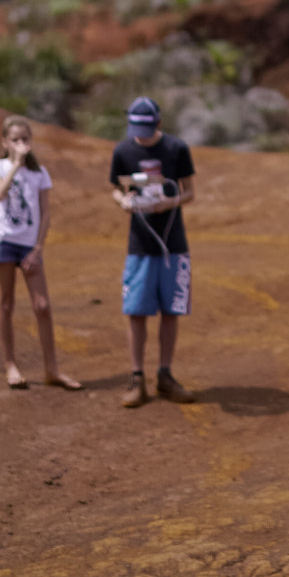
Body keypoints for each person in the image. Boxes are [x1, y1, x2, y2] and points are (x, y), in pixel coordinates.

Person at [109, 96, 196, 409]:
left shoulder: (177, 149)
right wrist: (122, 201)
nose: (141, 135)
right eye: (136, 128)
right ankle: (136, 378)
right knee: (135, 312)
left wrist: (167, 203)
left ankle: (165, 375)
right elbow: (115, 187)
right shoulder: (123, 151)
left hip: (173, 244)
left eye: (147, 128)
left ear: (159, 123)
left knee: (171, 311)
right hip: (140, 245)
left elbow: (190, 192)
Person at [0, 115, 81, 392]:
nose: (21, 144)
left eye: (25, 139)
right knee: (6, 302)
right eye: (15, 140)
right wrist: (15, 163)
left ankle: (52, 369)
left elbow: (46, 213)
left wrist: (38, 248)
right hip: (3, 241)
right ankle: (10, 364)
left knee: (42, 306)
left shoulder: (40, 173)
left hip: (29, 245)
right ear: (5, 142)